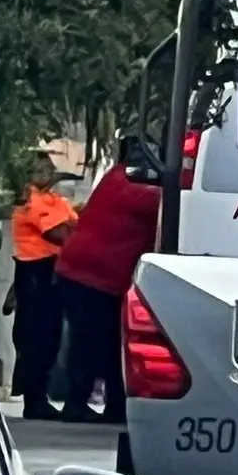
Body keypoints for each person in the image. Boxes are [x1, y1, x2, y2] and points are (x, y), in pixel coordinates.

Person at [55, 134, 160, 424]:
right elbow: (164, 204)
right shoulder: (133, 186)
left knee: (100, 341)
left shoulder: (116, 177)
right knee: (94, 341)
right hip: (93, 276)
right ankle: (81, 404)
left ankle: (102, 403)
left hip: (86, 273)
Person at [9, 152, 79, 419]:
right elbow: (59, 233)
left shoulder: (53, 199)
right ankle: (33, 400)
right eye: (41, 169)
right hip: (36, 273)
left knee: (50, 338)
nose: (48, 172)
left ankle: (39, 397)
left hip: (50, 273)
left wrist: (73, 224)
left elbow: (73, 223)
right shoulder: (30, 200)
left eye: (49, 168)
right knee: (36, 339)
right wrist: (73, 226)